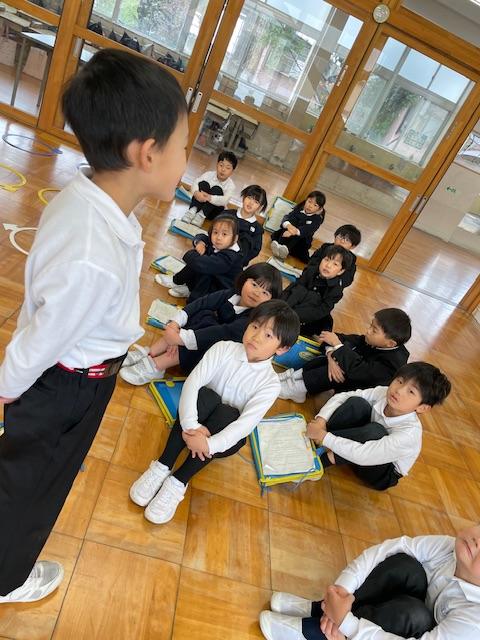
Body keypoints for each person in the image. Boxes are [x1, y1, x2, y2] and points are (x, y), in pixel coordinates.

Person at [0, 49, 188, 603]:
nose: (187, 160)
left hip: (70, 376)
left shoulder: (90, 201)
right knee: (34, 486)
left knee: (28, 478)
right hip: (66, 386)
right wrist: (6, 390)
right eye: (184, 146)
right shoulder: (93, 252)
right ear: (147, 153)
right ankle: (6, 578)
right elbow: (46, 336)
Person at [129, 300, 300, 524]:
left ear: (282, 348)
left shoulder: (270, 384)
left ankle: (178, 481)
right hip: (197, 415)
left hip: (222, 434)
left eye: (268, 335)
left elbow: (245, 425)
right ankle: (162, 465)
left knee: (229, 414)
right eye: (255, 326)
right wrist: (191, 425)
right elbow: (193, 383)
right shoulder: (223, 348)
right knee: (206, 395)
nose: (256, 336)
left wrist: (208, 445)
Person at [260, 524, 480, 640]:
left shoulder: (475, 624)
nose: (478, 540)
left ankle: (323, 635)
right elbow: (390, 548)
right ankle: (324, 610)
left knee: (415, 615)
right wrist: (341, 590)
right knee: (406, 566)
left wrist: (347, 626)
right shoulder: (451, 548)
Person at [120, 262, 282, 384]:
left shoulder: (253, 321)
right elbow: (201, 303)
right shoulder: (231, 294)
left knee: (208, 332)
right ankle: (150, 352)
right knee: (204, 314)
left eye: (265, 292)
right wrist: (175, 325)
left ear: (271, 300)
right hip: (200, 338)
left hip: (215, 360)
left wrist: (181, 339)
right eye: (254, 284)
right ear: (244, 280)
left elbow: (219, 334)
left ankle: (157, 366)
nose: (256, 293)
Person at [306, 362, 451, 491]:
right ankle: (319, 440)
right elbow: (344, 396)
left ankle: (322, 459)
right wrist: (321, 421)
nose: (399, 390)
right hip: (361, 443)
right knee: (357, 403)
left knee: (375, 432)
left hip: (380, 471)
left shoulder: (409, 434)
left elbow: (363, 455)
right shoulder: (385, 392)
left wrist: (326, 438)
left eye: (411, 391)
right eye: (400, 381)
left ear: (422, 407)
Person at [279, 308, 411, 403]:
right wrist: (331, 354)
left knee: (340, 368)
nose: (368, 331)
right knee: (335, 358)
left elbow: (360, 371)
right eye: (371, 326)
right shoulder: (374, 341)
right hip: (352, 376)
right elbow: (337, 338)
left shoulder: (392, 364)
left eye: (374, 330)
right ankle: (294, 378)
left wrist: (337, 347)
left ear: (390, 343)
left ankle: (298, 388)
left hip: (357, 395)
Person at [158, 213, 244, 301]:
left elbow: (200, 264)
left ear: (235, 239)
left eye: (224, 234)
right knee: (201, 258)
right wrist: (200, 243)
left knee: (201, 263)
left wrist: (190, 254)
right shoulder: (222, 243)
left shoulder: (229, 257)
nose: (218, 237)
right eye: (215, 232)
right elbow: (202, 236)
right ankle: (181, 284)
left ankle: (191, 294)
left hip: (218, 291)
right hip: (211, 280)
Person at [281, 245, 353, 337]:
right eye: (326, 260)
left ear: (340, 271)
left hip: (308, 318)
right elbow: (293, 289)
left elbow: (320, 311)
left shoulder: (336, 290)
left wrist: (293, 315)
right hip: (292, 305)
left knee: (314, 297)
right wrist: (282, 306)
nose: (328, 265)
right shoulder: (311, 271)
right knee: (297, 290)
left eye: (335, 264)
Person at [181, 151, 237, 226]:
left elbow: (225, 200)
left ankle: (201, 216)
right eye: (221, 165)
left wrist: (210, 198)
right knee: (203, 184)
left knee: (217, 189)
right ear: (217, 164)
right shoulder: (208, 174)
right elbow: (196, 182)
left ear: (232, 171)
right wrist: (196, 192)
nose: (223, 169)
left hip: (213, 212)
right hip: (200, 204)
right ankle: (192, 211)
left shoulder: (231, 185)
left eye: (227, 168)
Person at [271, 191, 326, 263]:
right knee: (284, 230)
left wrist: (293, 232)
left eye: (315, 205)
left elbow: (307, 229)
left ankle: (284, 250)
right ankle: (279, 247)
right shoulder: (298, 210)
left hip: (301, 242)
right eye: (309, 202)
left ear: (319, 209)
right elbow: (288, 218)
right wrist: (289, 226)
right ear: (306, 200)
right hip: (287, 236)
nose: (310, 206)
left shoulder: (317, 219)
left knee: (298, 237)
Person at [234, 184, 268, 266]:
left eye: (256, 202)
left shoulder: (257, 229)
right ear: (243, 197)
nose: (251, 203)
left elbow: (255, 250)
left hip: (238, 262)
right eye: (249, 198)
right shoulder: (228, 214)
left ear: (260, 207)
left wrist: (241, 261)